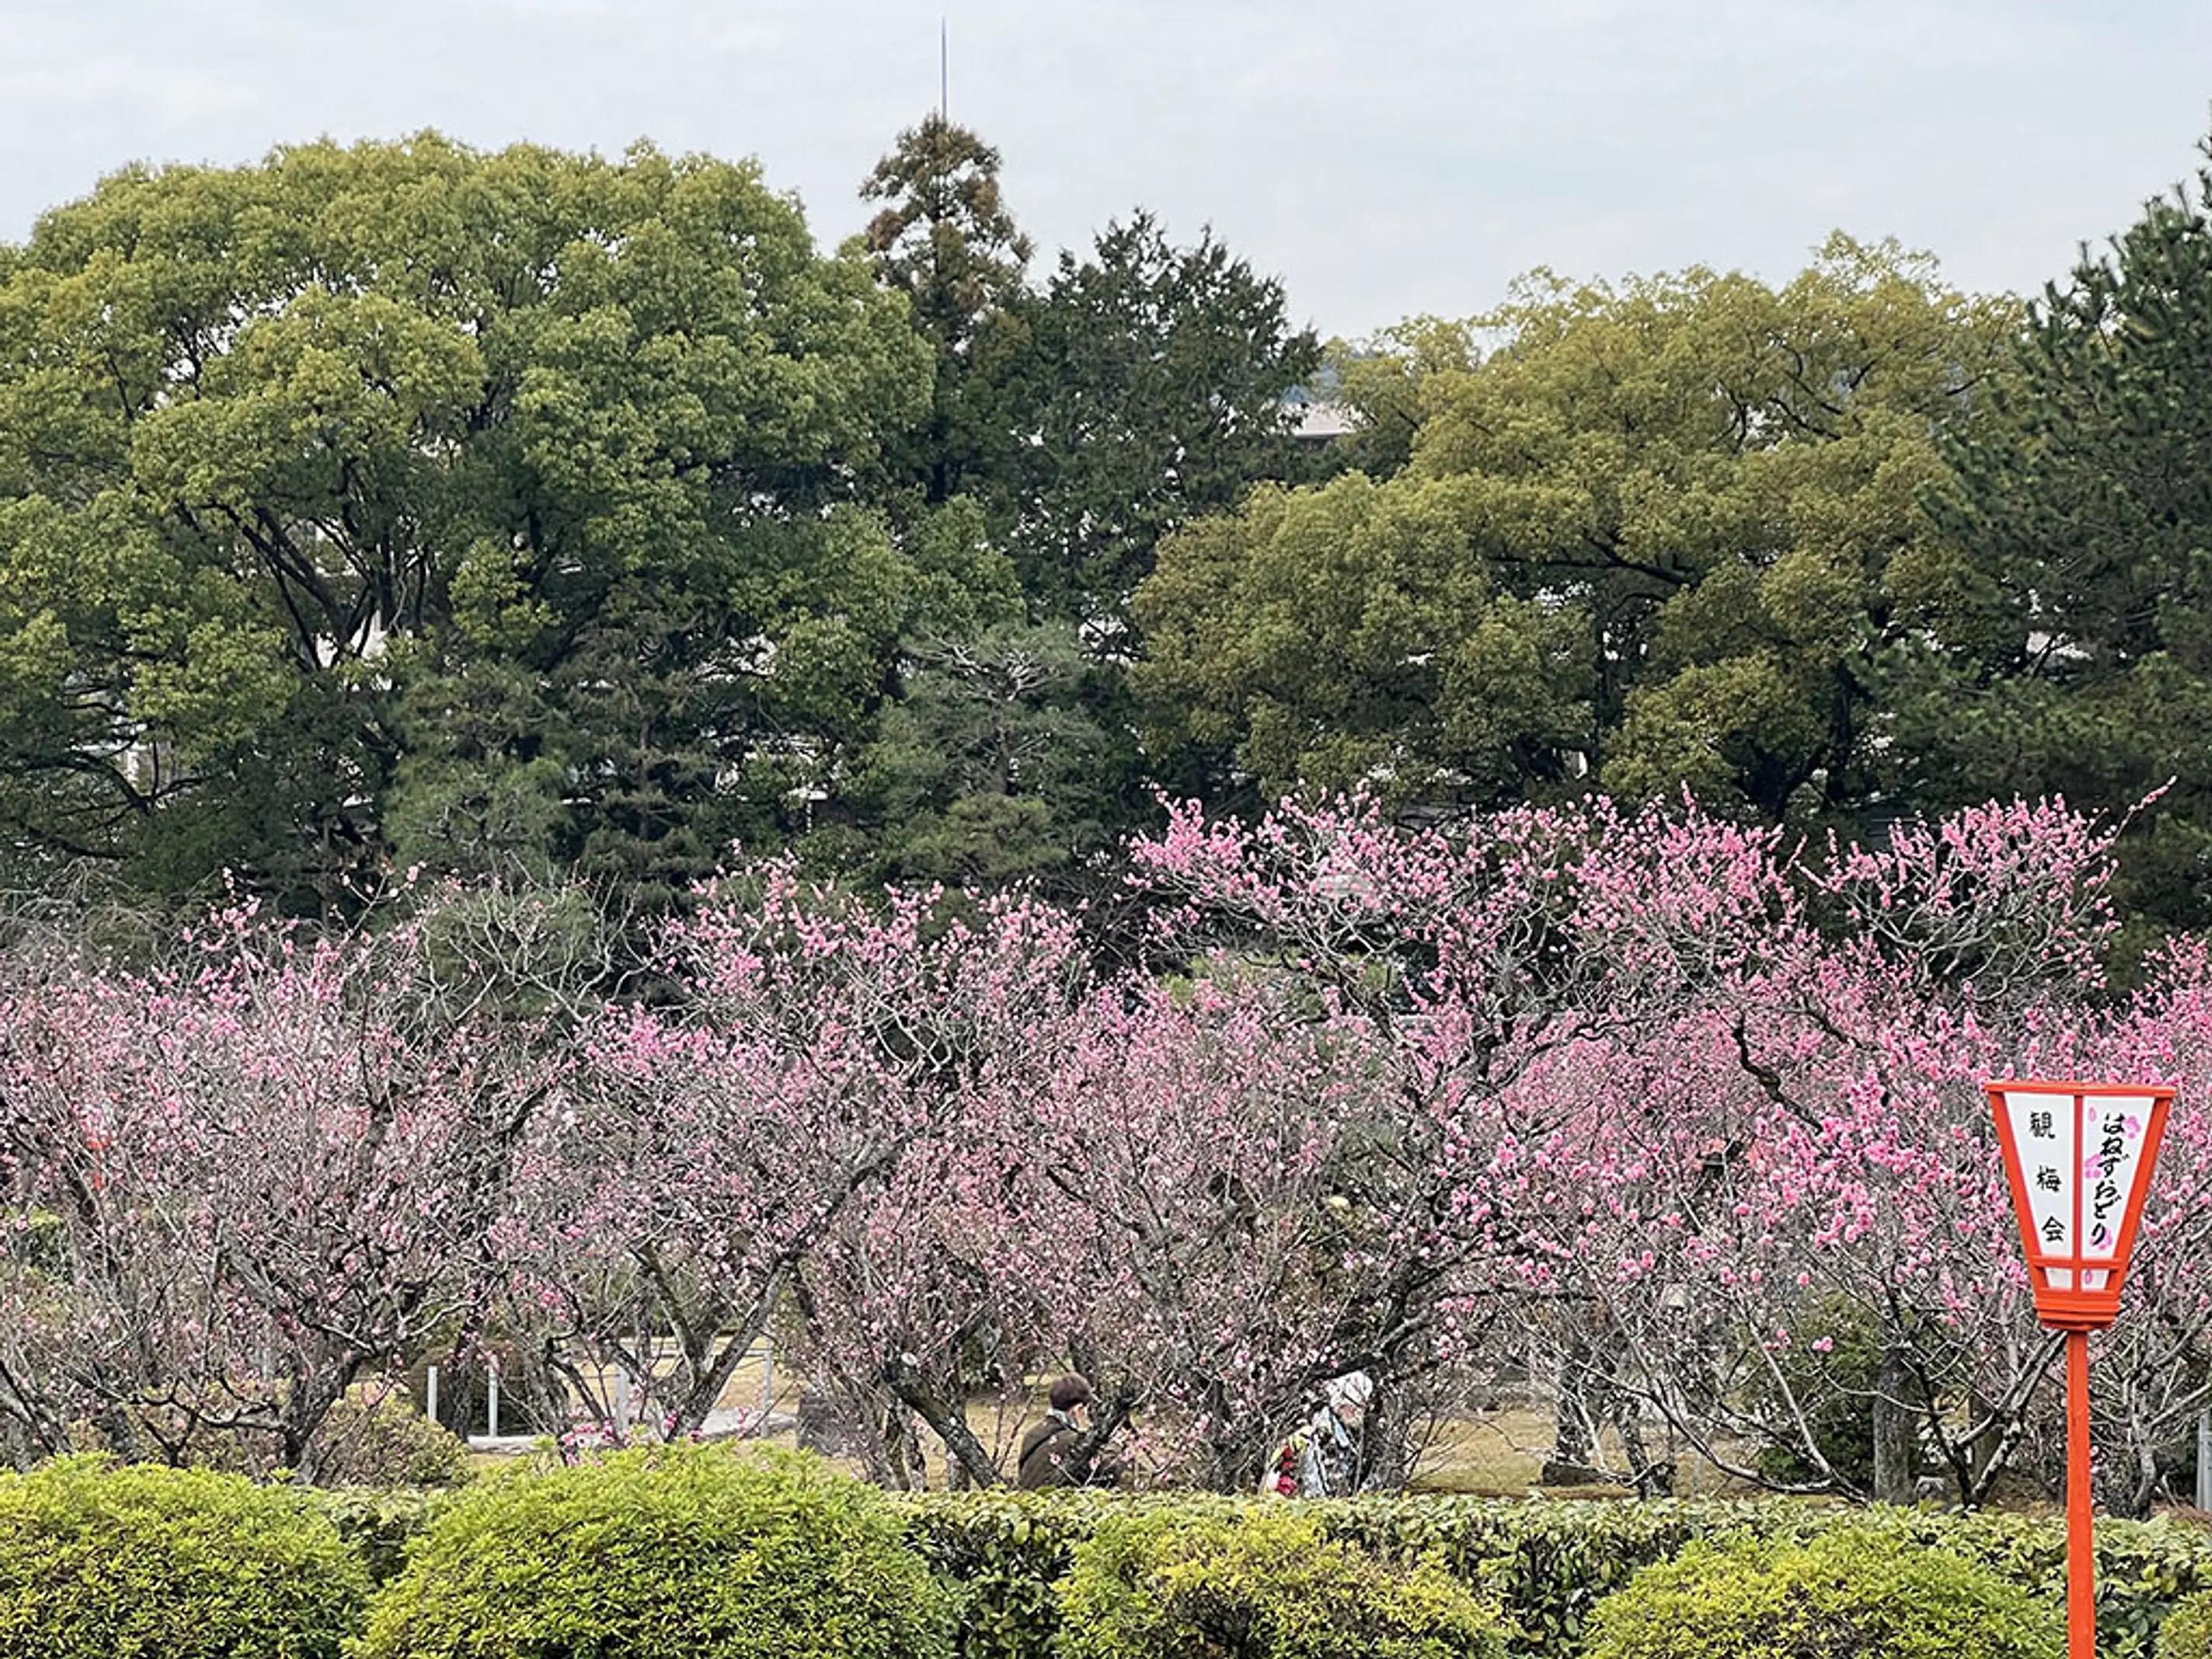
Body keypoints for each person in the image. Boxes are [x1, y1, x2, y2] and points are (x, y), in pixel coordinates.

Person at [1260, 1369, 1373, 1498]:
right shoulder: (1321, 1436)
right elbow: (1316, 1491)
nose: (1362, 1411)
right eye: (1358, 1405)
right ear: (1343, 1403)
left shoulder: (1335, 1433)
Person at [1017, 1373, 1106, 1489]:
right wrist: (1115, 1445)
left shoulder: (1032, 1434)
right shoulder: (1074, 1441)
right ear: (1077, 1409)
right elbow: (1105, 1474)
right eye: (1085, 1409)